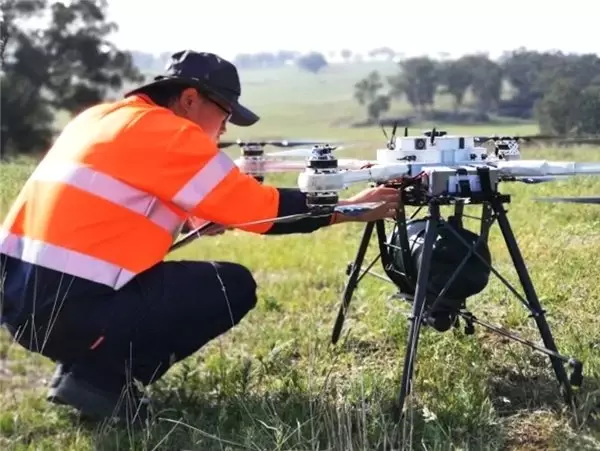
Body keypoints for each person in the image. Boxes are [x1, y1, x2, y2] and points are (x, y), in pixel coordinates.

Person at [0, 50, 401, 422]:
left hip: (22, 308)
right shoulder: (170, 133)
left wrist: (197, 217)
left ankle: (83, 369)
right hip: (74, 311)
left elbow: (116, 203)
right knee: (230, 287)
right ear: (190, 99)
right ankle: (99, 381)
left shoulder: (100, 119)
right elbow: (262, 211)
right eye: (224, 113)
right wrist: (349, 209)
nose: (224, 126)